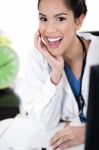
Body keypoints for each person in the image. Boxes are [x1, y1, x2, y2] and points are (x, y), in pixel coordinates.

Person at [15, 0, 99, 149]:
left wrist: (89, 131)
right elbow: (45, 123)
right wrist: (56, 71)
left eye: (60, 18)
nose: (49, 30)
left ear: (78, 21)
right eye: (43, 19)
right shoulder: (38, 56)